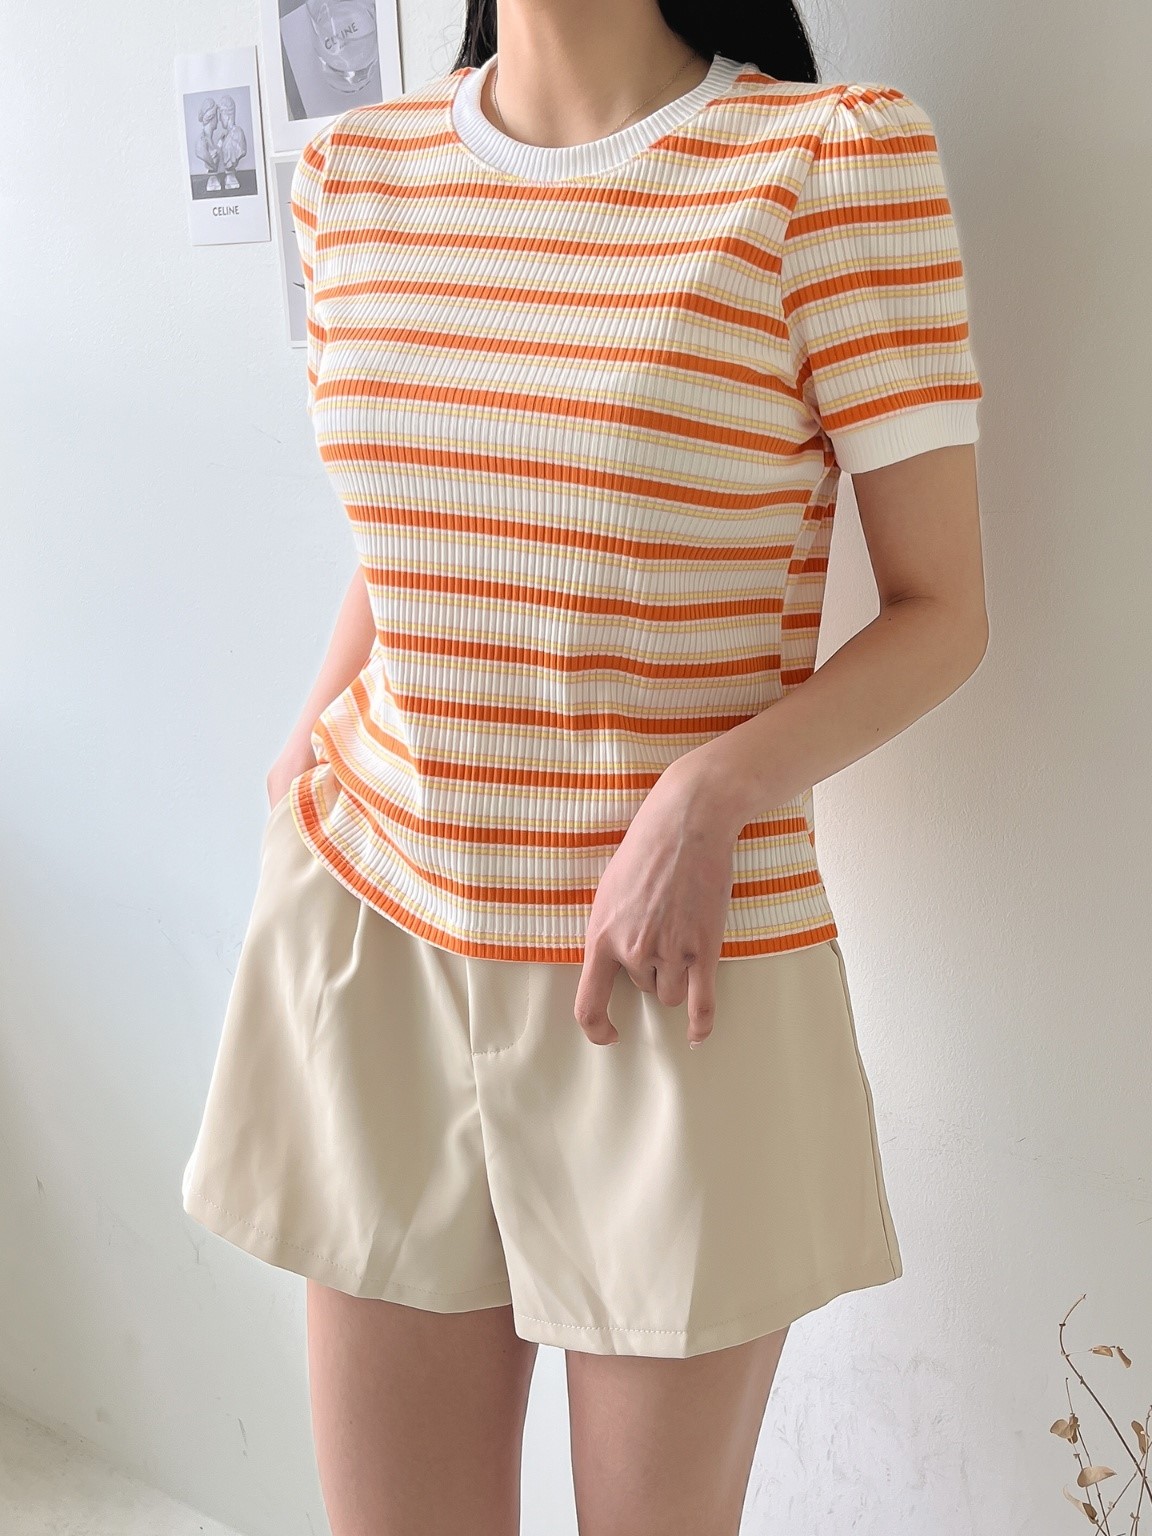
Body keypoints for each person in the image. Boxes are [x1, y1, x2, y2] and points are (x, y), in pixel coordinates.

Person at [181, 1, 988, 1530]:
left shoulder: (823, 166)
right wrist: (311, 733)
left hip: (671, 972)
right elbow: (440, 505)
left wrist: (712, 791)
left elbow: (944, 611)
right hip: (382, 930)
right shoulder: (355, 171)